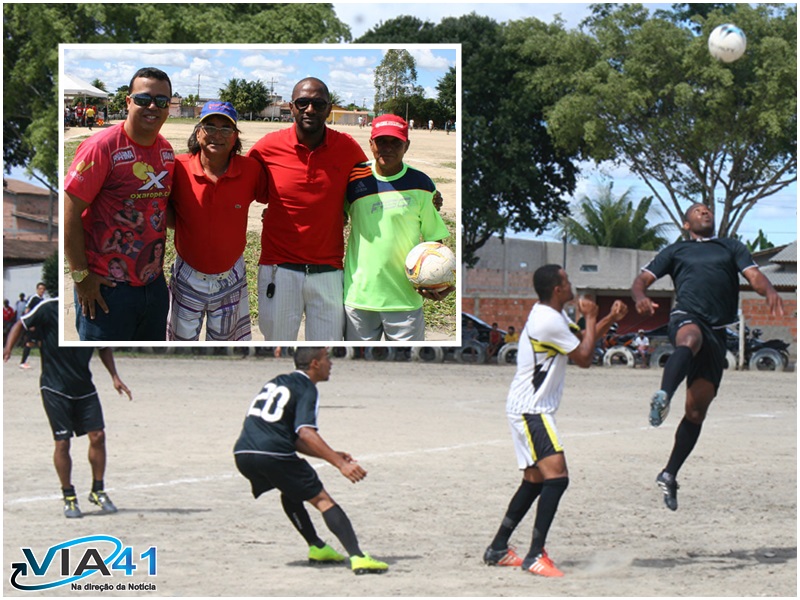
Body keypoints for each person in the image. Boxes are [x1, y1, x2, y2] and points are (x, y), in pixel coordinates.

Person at [631, 202, 783, 511]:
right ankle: (663, 395)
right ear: (686, 224)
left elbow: (754, 276)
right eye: (697, 210)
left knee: (697, 412)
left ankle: (669, 474)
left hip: (718, 332)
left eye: (707, 210)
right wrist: (640, 297)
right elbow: (641, 280)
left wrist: (768, 290)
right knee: (689, 338)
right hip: (687, 316)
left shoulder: (731, 247)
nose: (705, 212)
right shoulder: (675, 251)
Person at [484, 264, 627, 577]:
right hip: (532, 409)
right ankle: (535, 554)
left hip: (526, 407)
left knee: (535, 480)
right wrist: (590, 316)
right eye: (567, 281)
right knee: (557, 477)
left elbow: (579, 343)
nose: (572, 285)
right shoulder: (547, 320)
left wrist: (609, 320)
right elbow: (585, 359)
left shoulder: (552, 315)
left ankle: (497, 548)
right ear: (557, 289)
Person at [233, 347, 388, 575]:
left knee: (292, 492)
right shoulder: (306, 388)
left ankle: (317, 547)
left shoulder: (278, 382)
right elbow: (305, 432)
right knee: (322, 500)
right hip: (273, 453)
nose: (331, 363)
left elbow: (292, 438)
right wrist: (341, 464)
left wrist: (332, 453)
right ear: (315, 363)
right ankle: (358, 557)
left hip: (243, 453)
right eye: (327, 358)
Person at [247, 77, 369, 341]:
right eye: (303, 103)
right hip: (280, 270)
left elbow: (372, 188)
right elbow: (237, 185)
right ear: (292, 107)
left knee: (325, 353)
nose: (310, 110)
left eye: (318, 103)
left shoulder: (347, 148)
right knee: (277, 348)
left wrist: (426, 193)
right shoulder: (267, 148)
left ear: (329, 108)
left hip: (328, 271)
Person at [64, 67, 174, 341]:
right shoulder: (102, 147)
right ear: (128, 102)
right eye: (143, 99)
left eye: (161, 101)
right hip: (107, 289)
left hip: (153, 287)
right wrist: (81, 277)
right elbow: (68, 211)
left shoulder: (166, 151)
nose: (152, 107)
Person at [3, 297, 132, 518]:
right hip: (54, 387)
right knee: (63, 442)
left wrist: (115, 377)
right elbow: (20, 324)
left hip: (84, 386)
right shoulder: (48, 307)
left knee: (98, 436)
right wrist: (7, 349)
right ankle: (69, 496)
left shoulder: (95, 310)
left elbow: (103, 347)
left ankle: (98, 490)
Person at [343, 115, 453, 341]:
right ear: (371, 143)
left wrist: (438, 279)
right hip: (359, 297)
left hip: (405, 298)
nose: (388, 148)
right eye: (382, 141)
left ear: (407, 146)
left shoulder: (422, 184)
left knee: (406, 369)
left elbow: (435, 243)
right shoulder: (354, 179)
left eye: (396, 143)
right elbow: (334, 217)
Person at [167, 101, 267, 341]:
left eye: (226, 129)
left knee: (225, 342)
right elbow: (162, 208)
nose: (217, 135)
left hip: (230, 276)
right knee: (179, 341)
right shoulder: (177, 168)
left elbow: (275, 198)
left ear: (235, 137)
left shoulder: (251, 170)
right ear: (198, 131)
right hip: (187, 274)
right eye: (210, 126)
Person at [19, 282, 46, 369]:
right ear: (37, 289)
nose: (42, 290)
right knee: (29, 343)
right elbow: (27, 310)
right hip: (33, 325)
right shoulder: (33, 298)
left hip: (40, 325)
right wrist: (29, 323)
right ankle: (23, 362)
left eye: (43, 289)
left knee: (41, 343)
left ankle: (45, 362)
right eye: (40, 289)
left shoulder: (43, 300)